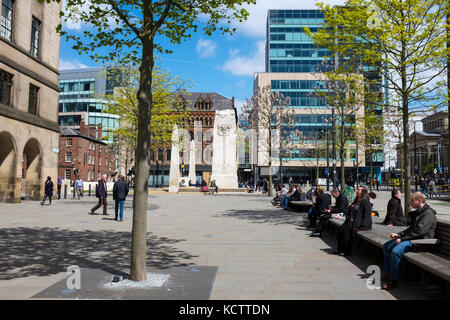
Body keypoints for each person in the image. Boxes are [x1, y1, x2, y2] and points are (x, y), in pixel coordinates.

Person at [382, 192, 437, 289]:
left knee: (395, 251)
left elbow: (419, 232)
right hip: (412, 239)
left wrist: (402, 239)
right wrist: (399, 235)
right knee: (387, 246)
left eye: (412, 200)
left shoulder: (428, 214)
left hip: (420, 242)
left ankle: (393, 280)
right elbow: (411, 229)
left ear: (419, 201)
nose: (410, 202)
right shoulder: (419, 212)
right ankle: (388, 273)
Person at [334, 186, 370, 256]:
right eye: (357, 190)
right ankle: (340, 249)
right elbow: (351, 209)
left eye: (359, 190)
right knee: (341, 228)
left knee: (346, 230)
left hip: (359, 223)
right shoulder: (357, 200)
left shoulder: (365, 201)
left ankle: (348, 251)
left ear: (363, 192)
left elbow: (367, 214)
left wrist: (361, 224)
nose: (357, 191)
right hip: (352, 221)